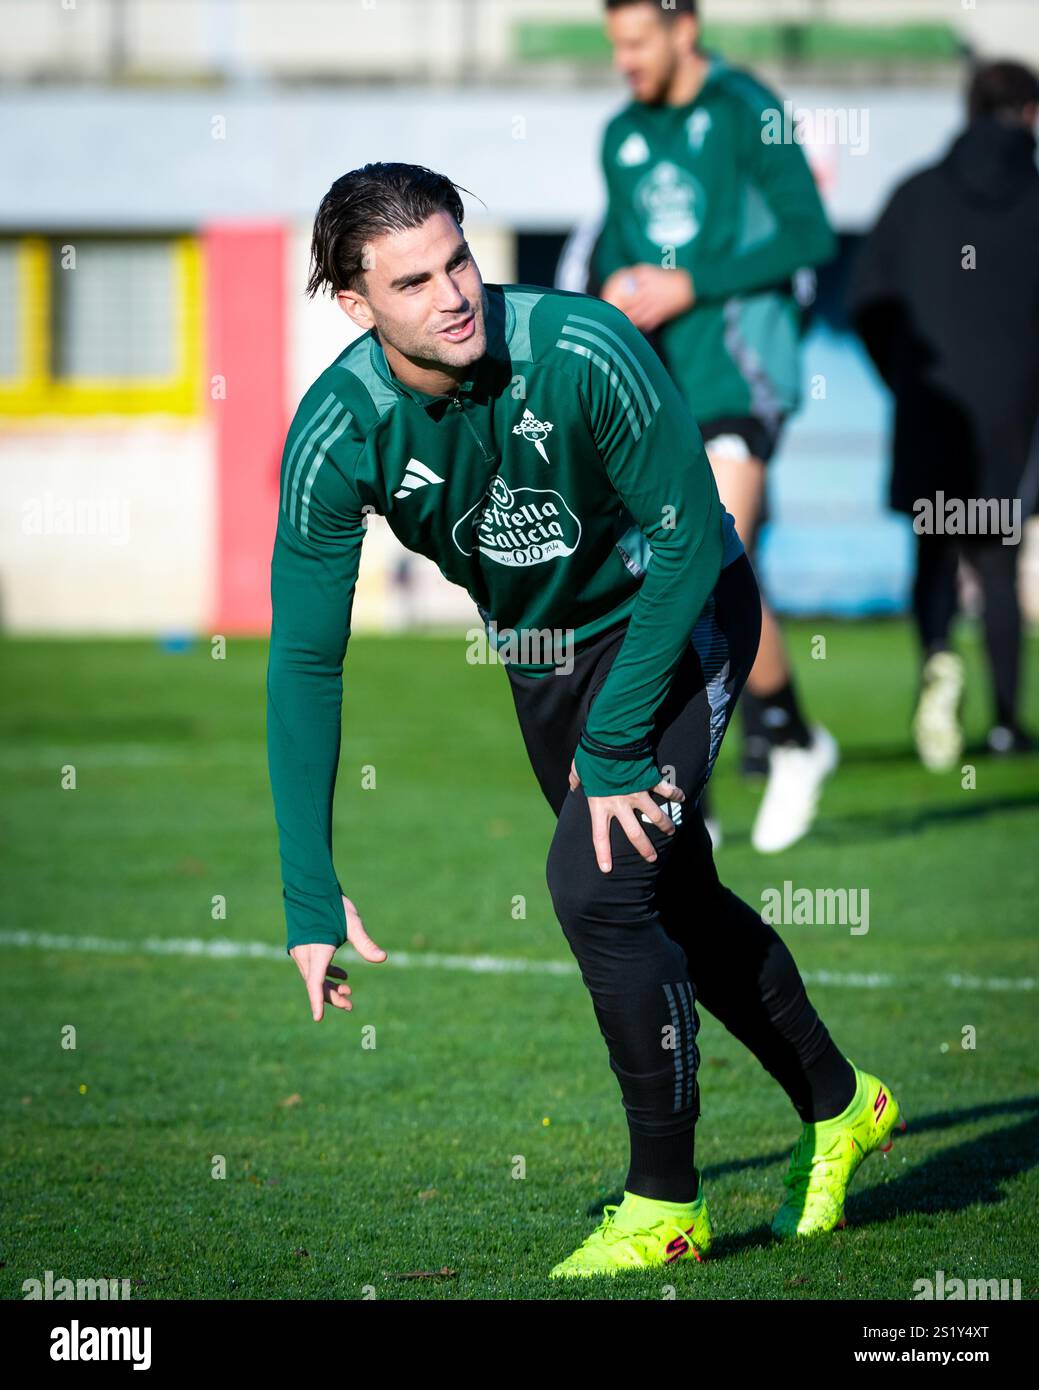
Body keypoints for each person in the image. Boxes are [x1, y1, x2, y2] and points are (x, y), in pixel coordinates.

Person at [266, 161, 903, 1279]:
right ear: (358, 308)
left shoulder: (584, 347)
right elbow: (308, 661)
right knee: (673, 895)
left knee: (598, 884)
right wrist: (309, 888)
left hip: (684, 609)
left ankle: (664, 1202)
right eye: (413, 282)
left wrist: (615, 745)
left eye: (458, 258)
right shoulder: (336, 436)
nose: (453, 293)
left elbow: (690, 538)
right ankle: (842, 1103)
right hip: (545, 662)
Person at [590, 0, 839, 853]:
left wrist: (691, 282)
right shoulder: (620, 134)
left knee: (712, 557)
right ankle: (720, 764)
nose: (623, 59)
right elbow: (614, 252)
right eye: (612, 44)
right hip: (661, 386)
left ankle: (792, 740)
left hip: (743, 372)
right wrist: (615, 289)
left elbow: (808, 234)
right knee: (661, 571)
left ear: (683, 30)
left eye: (636, 42)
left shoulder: (746, 109)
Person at [848, 60, 1039, 769]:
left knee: (931, 556)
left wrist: (905, 377)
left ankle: (936, 664)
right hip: (1011, 418)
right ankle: (1005, 726)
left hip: (930, 411)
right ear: (1028, 114)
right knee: (995, 566)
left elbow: (866, 302)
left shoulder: (914, 196)